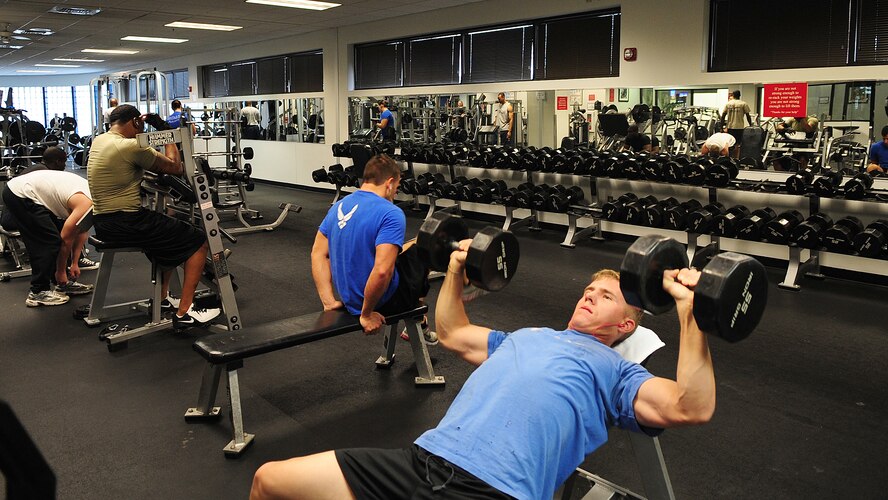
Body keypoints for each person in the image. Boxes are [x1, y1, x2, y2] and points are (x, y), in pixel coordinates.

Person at [250, 254, 716, 500]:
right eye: (589, 289)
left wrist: (689, 311)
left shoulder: (618, 373)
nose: (589, 296)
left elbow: (690, 406)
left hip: (495, 490)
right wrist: (455, 271)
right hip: (420, 463)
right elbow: (453, 332)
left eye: (606, 296)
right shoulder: (528, 336)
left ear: (626, 325)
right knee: (270, 481)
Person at [86, 104, 220, 329]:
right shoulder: (130, 146)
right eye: (140, 125)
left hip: (102, 221)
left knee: (166, 234)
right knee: (198, 240)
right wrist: (166, 131)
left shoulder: (100, 140)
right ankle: (185, 312)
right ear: (136, 122)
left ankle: (164, 297)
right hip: (126, 221)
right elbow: (175, 167)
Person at [310, 154, 435, 343]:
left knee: (406, 247)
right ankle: (420, 318)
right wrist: (367, 314)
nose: (395, 193)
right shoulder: (391, 213)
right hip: (381, 302)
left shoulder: (338, 206)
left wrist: (328, 301)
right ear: (389, 183)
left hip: (350, 299)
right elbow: (382, 271)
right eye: (397, 187)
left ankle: (421, 320)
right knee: (425, 248)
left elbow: (318, 253)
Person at [1, 170, 95, 307]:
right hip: (21, 193)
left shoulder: (95, 201)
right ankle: (38, 291)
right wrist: (61, 271)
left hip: (35, 195)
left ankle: (62, 283)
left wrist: (75, 263)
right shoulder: (87, 203)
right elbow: (66, 239)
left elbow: (81, 231)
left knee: (55, 237)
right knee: (49, 242)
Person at [720, 90, 752, 159]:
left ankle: (729, 158)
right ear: (740, 95)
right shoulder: (743, 104)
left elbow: (723, 116)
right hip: (739, 127)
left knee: (729, 144)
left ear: (733, 95)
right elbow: (748, 116)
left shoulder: (728, 104)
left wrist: (721, 127)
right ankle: (736, 159)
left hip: (730, 127)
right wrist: (751, 125)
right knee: (737, 144)